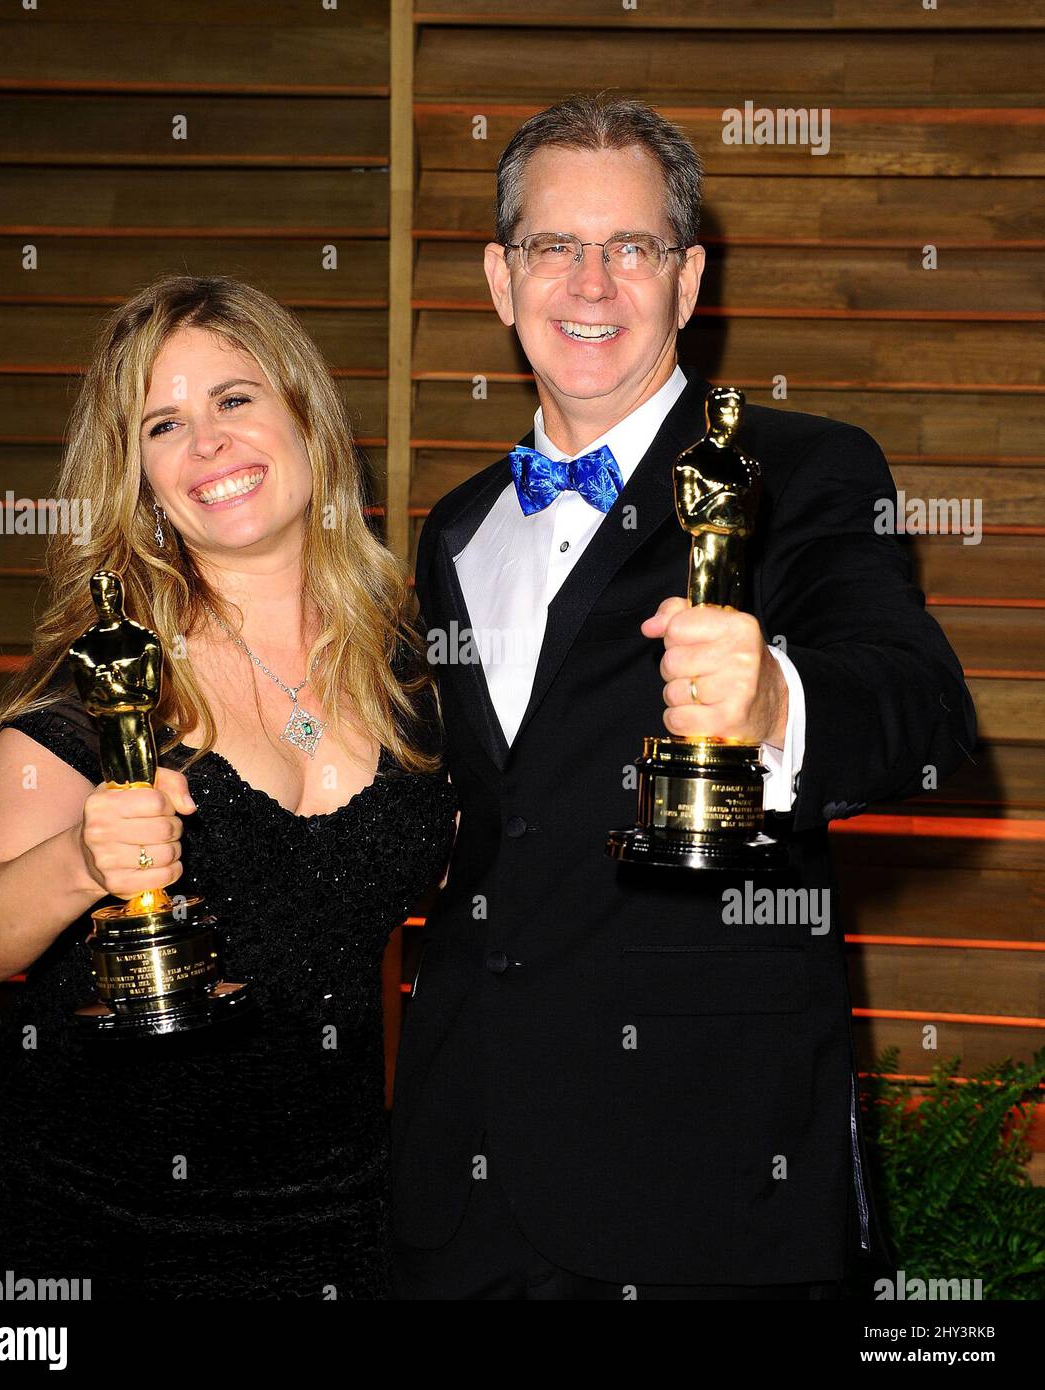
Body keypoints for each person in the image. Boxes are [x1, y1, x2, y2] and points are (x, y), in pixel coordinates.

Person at [389, 94, 977, 1299]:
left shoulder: (807, 468)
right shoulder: (452, 528)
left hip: (701, 1183)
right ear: (501, 279)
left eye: (634, 247)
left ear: (689, 276)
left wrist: (776, 707)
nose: (591, 282)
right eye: (555, 245)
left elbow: (920, 705)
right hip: (460, 1184)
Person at [0, 274, 457, 1300]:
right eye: (162, 423)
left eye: (234, 398)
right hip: (96, 1217)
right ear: (139, 479)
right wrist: (80, 857)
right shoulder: (108, 679)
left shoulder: (421, 660)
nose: (206, 441)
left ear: (305, 413)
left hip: (340, 1202)